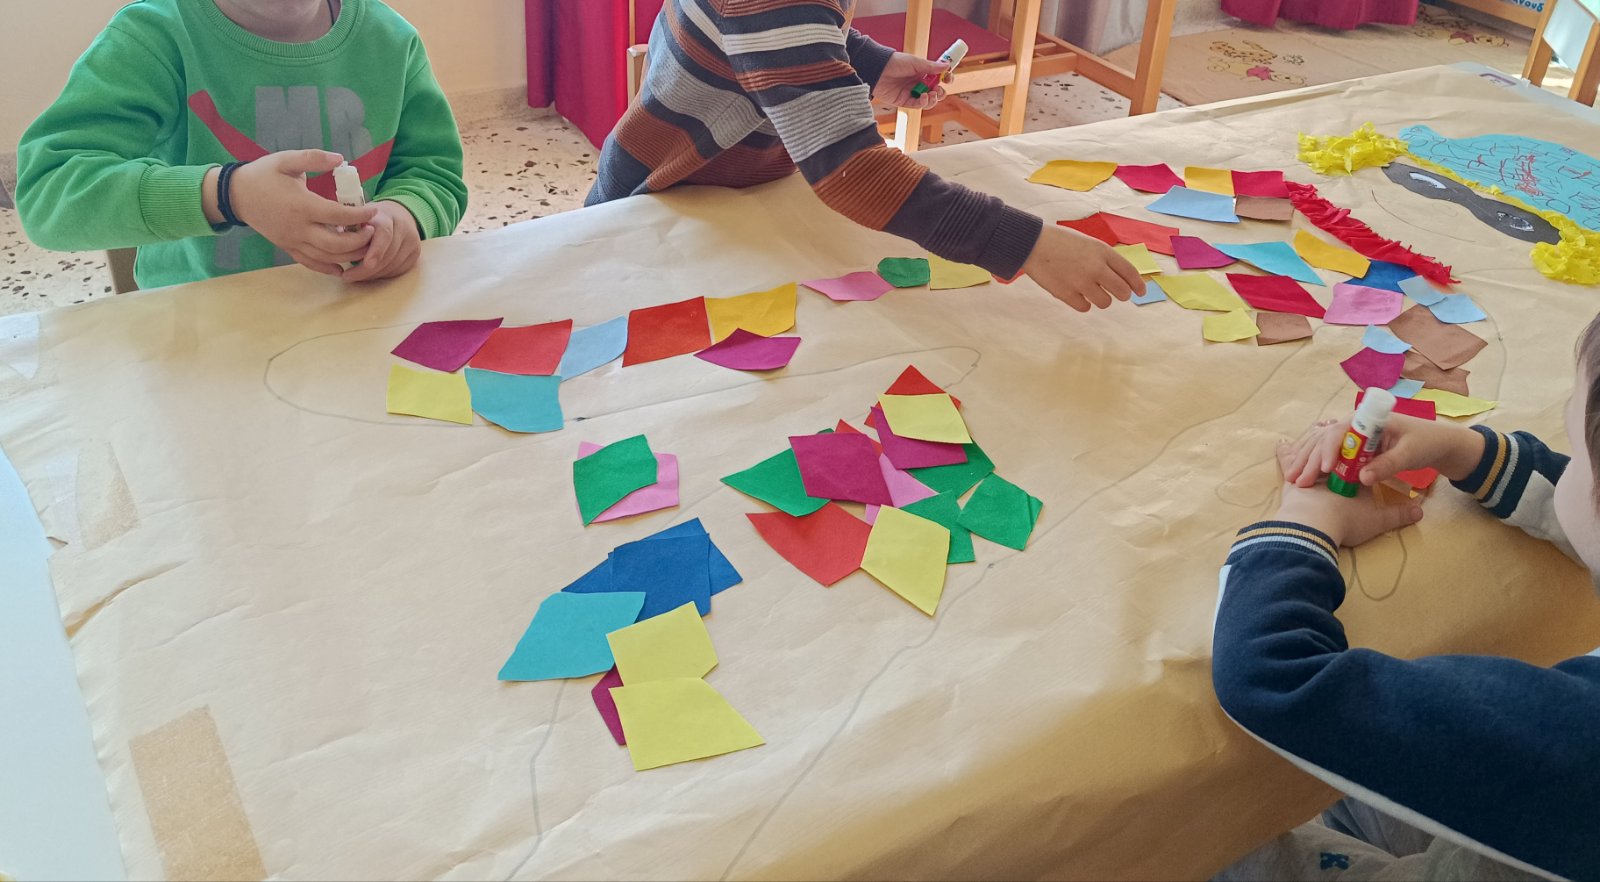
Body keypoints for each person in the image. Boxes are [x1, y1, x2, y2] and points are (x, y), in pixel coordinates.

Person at [1210, 321, 1600, 880]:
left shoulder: (1574, 738)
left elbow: (1276, 680)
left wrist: (1301, 526)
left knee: (1212, 846)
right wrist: (1463, 450)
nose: (1569, 461)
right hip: (1541, 829)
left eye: (1577, 451)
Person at [585, 0, 1141, 313]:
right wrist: (1028, 244)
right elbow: (855, 172)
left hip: (722, 187)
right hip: (667, 202)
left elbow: (791, 36)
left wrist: (873, 65)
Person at [16, 0, 467, 290]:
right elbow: (47, 192)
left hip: (357, 316)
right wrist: (227, 194)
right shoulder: (152, 36)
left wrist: (406, 216)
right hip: (200, 334)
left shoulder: (393, 40)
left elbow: (432, 172)